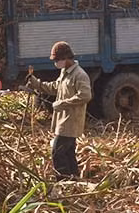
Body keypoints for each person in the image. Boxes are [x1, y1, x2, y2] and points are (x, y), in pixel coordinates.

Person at [25, 41, 92, 178]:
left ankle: (62, 180)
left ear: (67, 58)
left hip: (71, 121)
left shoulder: (79, 75)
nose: (56, 63)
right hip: (63, 120)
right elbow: (55, 87)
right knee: (68, 152)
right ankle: (73, 178)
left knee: (57, 152)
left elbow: (85, 96)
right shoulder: (65, 72)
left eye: (57, 60)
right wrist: (36, 83)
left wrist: (62, 103)